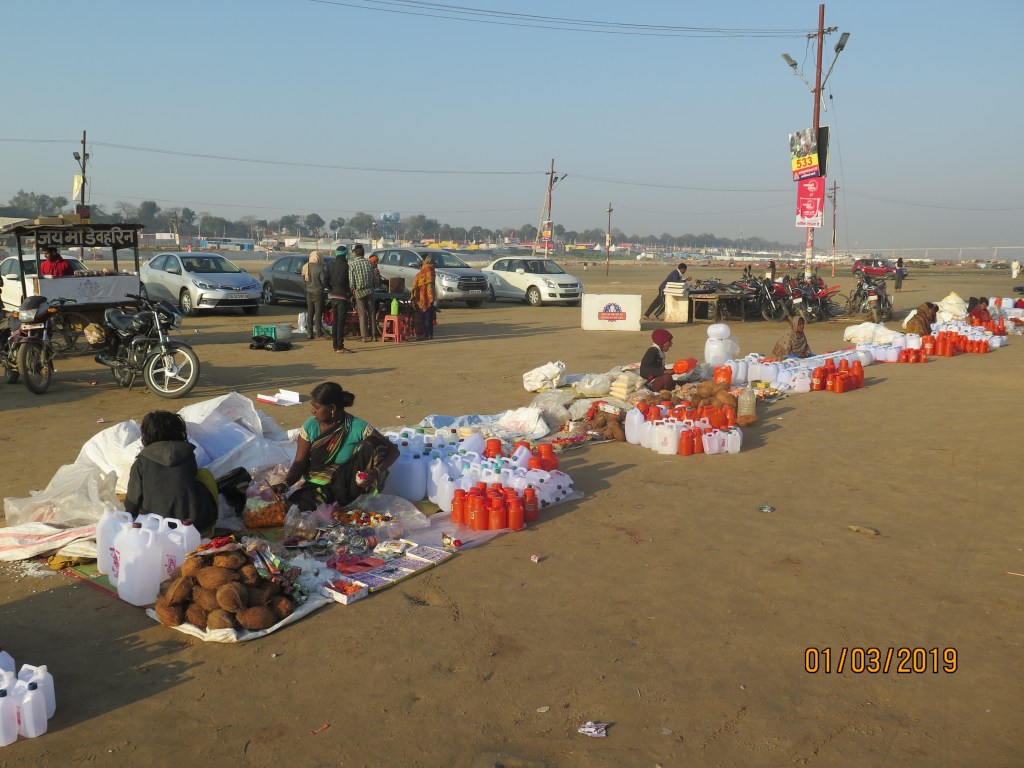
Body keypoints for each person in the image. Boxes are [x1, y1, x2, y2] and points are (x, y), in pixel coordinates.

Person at [275, 382, 400, 511]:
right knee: (297, 507)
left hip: (346, 485)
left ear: (332, 408)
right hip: (316, 485)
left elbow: (394, 451)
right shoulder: (310, 427)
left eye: (317, 407)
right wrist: (285, 484)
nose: (313, 411)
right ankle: (330, 503)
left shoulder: (356, 426)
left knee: (373, 444)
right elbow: (299, 463)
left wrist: (375, 472)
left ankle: (342, 502)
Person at [124, 411, 218, 532]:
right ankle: (210, 527)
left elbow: (133, 499)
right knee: (205, 475)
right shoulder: (188, 455)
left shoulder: (141, 462)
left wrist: (129, 519)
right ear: (179, 431)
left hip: (155, 527)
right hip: (193, 526)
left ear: (147, 435)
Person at [327, 246, 354, 354]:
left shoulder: (330, 265)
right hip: (342, 297)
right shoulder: (346, 266)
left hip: (333, 296)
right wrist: (348, 293)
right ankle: (340, 347)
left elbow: (325, 280)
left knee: (335, 321)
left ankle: (335, 345)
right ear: (344, 254)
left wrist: (332, 289)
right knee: (341, 323)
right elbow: (349, 282)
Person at [348, 245, 375, 342]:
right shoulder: (369, 263)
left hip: (359, 292)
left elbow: (351, 283)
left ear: (355, 253)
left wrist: (353, 293)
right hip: (370, 291)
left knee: (362, 314)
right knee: (372, 313)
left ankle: (364, 337)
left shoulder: (352, 265)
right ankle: (374, 335)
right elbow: (374, 279)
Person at [302, 251, 328, 341]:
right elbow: (324, 281)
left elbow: (303, 281)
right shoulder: (320, 268)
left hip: (308, 292)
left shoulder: (305, 266)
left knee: (310, 313)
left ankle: (310, 334)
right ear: (318, 258)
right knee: (318, 314)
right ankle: (319, 333)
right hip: (318, 293)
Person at [410, 253, 437, 340]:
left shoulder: (427, 269)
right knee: (429, 314)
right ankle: (430, 334)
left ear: (424, 260)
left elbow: (418, 278)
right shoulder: (432, 268)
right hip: (431, 294)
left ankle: (425, 334)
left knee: (426, 315)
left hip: (425, 295)